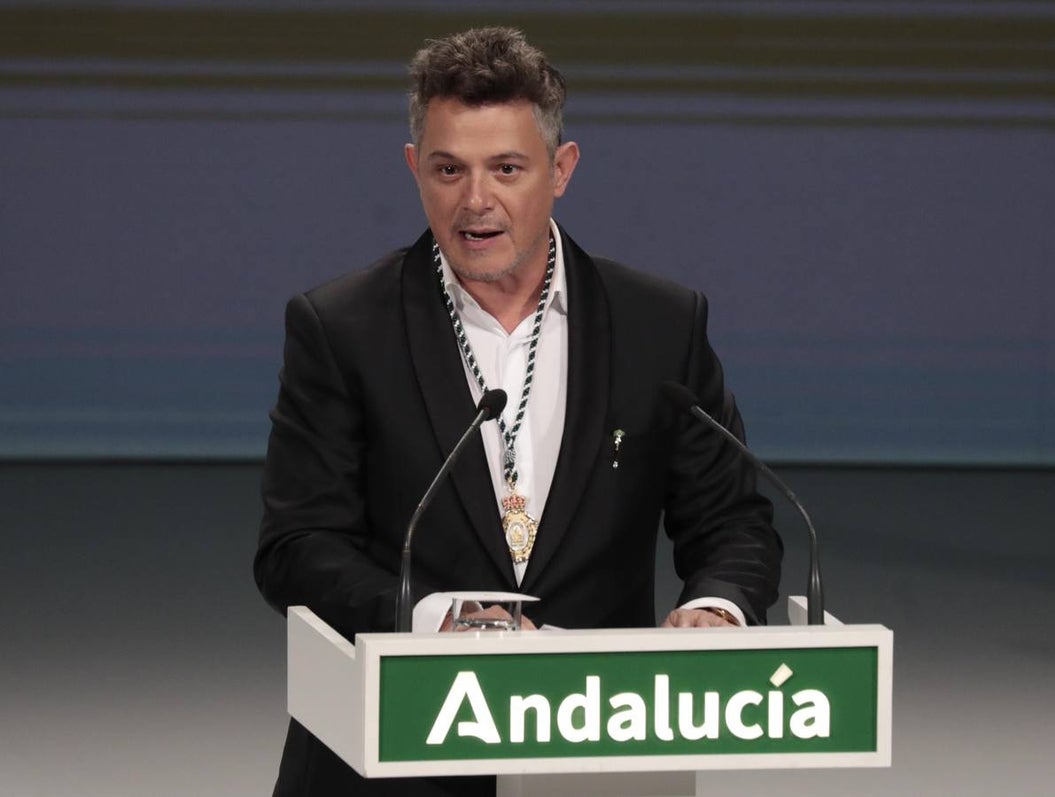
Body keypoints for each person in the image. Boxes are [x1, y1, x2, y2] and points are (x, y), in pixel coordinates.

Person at [254, 27, 782, 797]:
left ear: (560, 169)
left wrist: (717, 608)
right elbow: (296, 547)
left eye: (506, 168)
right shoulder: (342, 328)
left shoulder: (658, 325)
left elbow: (733, 518)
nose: (476, 201)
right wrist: (437, 621)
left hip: (593, 751)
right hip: (395, 757)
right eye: (448, 170)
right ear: (415, 172)